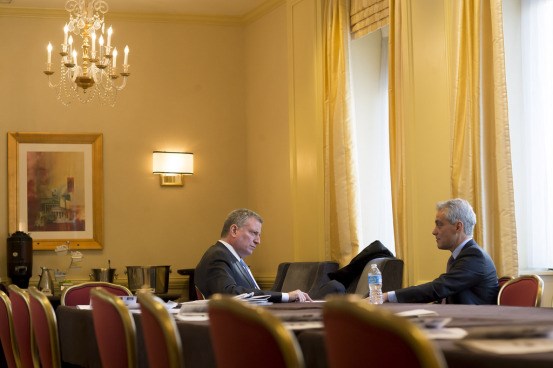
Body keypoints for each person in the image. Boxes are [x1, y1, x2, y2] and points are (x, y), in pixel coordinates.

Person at [376, 198, 499, 304]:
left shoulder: (475, 257)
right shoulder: (458, 256)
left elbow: (439, 288)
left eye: (439, 225)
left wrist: (387, 296)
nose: (434, 231)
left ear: (458, 227)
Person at [195, 208, 314, 303]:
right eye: (254, 233)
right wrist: (286, 296)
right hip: (241, 326)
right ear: (234, 230)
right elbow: (230, 294)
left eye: (259, 235)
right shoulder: (217, 255)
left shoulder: (231, 257)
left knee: (329, 288)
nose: (258, 241)